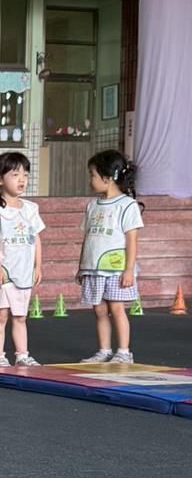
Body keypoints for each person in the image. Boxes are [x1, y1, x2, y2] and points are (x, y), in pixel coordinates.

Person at [76, 150, 144, 364]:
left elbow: (131, 240)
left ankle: (123, 352)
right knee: (99, 309)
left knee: (116, 308)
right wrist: (81, 267)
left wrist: (129, 270)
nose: (90, 180)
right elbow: (88, 237)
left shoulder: (127, 205)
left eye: (93, 175)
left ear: (107, 178)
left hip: (116, 268)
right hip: (94, 268)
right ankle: (104, 351)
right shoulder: (92, 206)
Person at [0, 152, 44, 368]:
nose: (22, 179)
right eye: (15, 174)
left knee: (20, 316)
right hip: (4, 272)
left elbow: (36, 238)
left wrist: (38, 266)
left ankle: (22, 355)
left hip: (24, 271)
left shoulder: (31, 208)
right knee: (1, 314)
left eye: (25, 175)